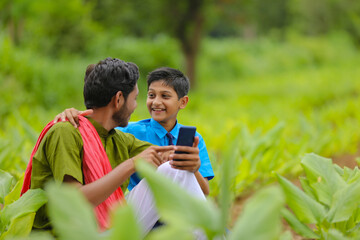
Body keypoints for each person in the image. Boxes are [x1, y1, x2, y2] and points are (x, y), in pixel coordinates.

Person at [22, 58, 204, 235]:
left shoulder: (119, 139)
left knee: (172, 169)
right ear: (118, 99)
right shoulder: (66, 132)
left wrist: (190, 161)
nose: (135, 107)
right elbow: (75, 202)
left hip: (107, 227)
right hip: (72, 233)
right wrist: (132, 163)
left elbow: (169, 160)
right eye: (135, 99)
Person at [55, 67, 214, 195]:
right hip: (141, 205)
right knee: (169, 169)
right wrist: (76, 114)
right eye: (151, 95)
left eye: (165, 96)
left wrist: (193, 169)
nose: (156, 102)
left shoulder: (193, 139)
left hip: (178, 207)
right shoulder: (128, 131)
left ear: (183, 102)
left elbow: (203, 192)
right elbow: (99, 124)